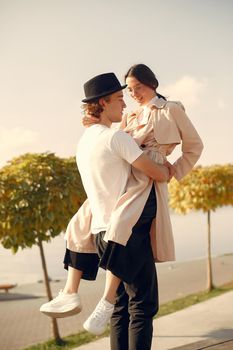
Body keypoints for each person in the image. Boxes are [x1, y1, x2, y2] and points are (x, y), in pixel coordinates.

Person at [40, 65, 204, 348]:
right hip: (132, 190)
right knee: (140, 300)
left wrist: (174, 171)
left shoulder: (171, 109)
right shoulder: (123, 123)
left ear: (151, 84)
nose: (131, 95)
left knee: (125, 300)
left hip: (140, 189)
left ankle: (73, 289)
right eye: (126, 91)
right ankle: (84, 294)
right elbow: (121, 151)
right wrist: (160, 172)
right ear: (106, 102)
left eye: (136, 88)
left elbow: (194, 146)